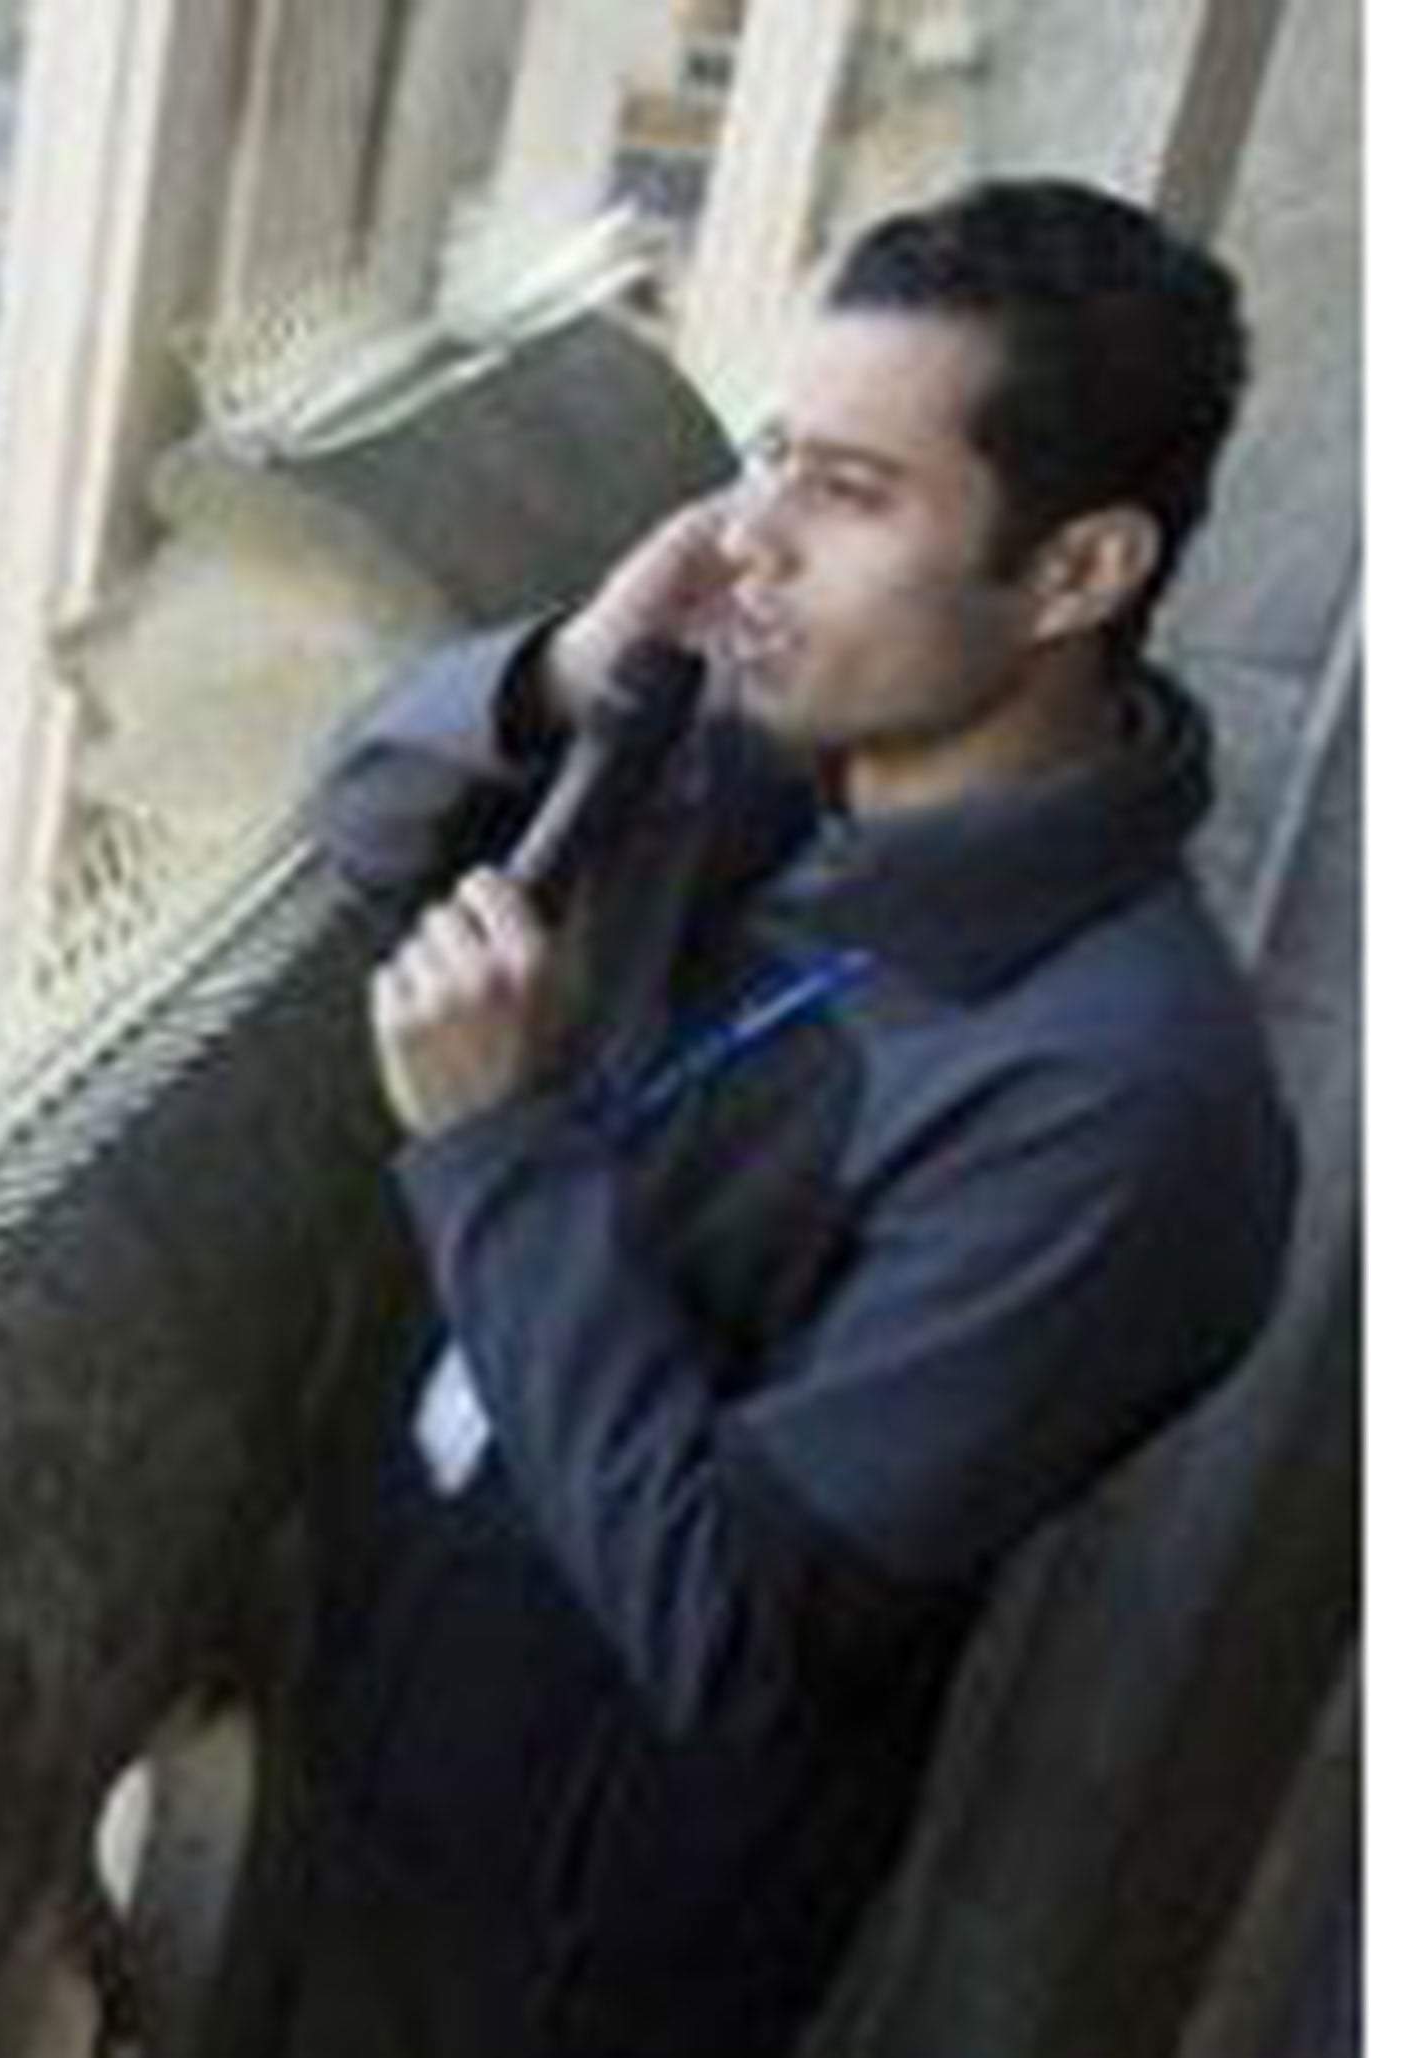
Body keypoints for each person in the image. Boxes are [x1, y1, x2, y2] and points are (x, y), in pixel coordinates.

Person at [276, 179, 1300, 2058]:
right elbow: (350, 821)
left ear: (1078, 573)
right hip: (369, 1726)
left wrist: (499, 1155)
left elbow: (730, 1622)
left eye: (848, 491)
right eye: (766, 456)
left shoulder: (1126, 1111)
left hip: (582, 1940)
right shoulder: (762, 761)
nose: (749, 540)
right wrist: (572, 669)